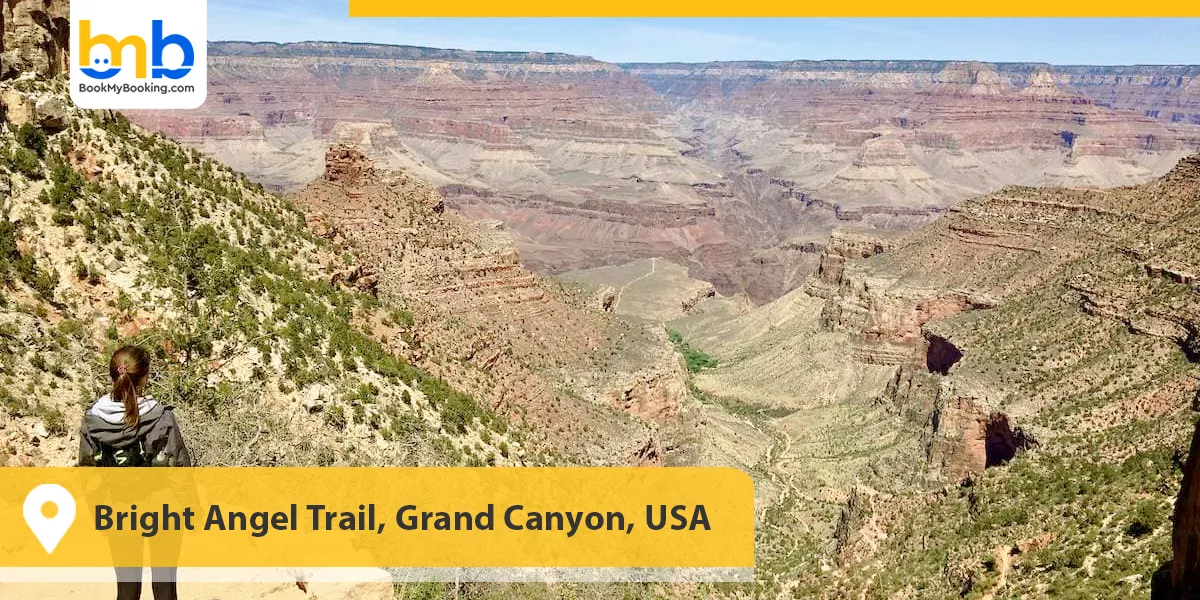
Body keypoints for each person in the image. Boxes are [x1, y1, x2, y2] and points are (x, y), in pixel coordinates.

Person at [79, 345, 192, 600]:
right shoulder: (160, 416)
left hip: (117, 510)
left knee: (127, 591)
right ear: (145, 376)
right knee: (165, 590)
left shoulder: (93, 420)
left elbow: (88, 472)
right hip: (162, 509)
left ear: (113, 375)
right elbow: (178, 466)